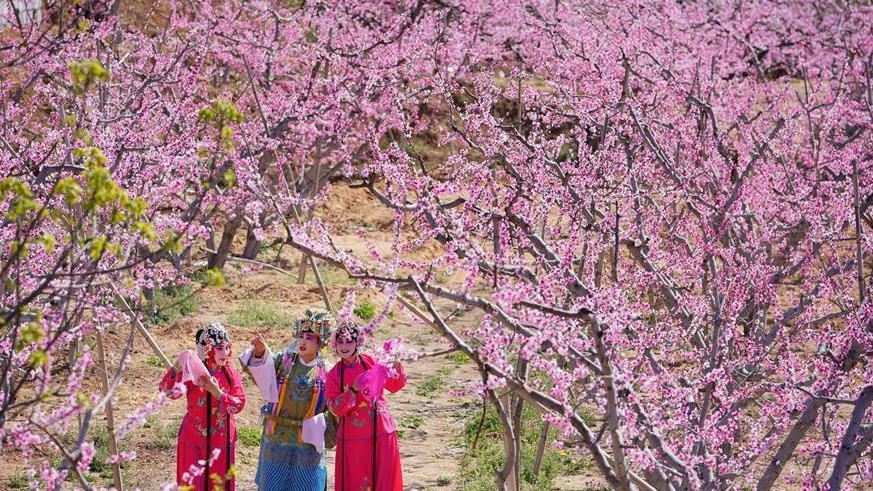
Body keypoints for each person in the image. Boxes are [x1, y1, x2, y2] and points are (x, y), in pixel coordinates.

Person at [241, 309, 337, 491]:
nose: (303, 341)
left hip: (307, 441)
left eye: (310, 337)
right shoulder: (284, 361)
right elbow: (260, 368)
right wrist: (260, 352)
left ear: (321, 342)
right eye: (301, 336)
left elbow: (334, 407)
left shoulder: (328, 371)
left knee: (306, 485)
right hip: (277, 436)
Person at [158, 323, 246, 491]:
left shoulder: (230, 374)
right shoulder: (193, 373)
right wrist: (178, 365)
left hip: (222, 441)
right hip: (193, 439)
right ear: (207, 350)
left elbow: (239, 404)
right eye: (219, 348)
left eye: (227, 348)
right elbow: (167, 392)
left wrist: (217, 393)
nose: (225, 353)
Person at [326, 322, 406, 491]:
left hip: (382, 430)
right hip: (353, 437)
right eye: (340, 341)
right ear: (335, 345)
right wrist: (353, 390)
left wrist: (396, 363)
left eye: (349, 341)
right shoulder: (334, 374)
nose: (344, 346)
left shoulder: (372, 361)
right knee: (356, 481)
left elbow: (394, 385)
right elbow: (334, 407)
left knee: (384, 480)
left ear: (358, 343)